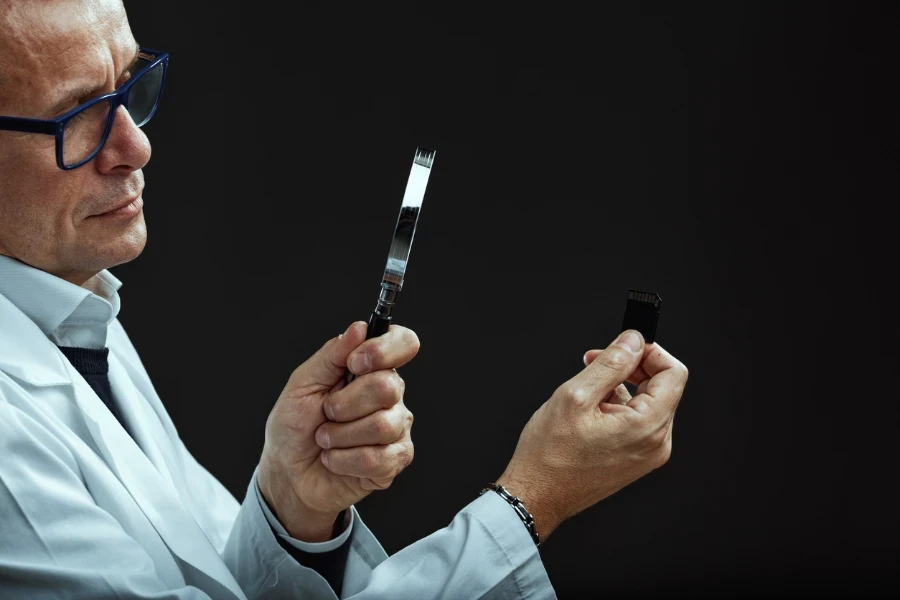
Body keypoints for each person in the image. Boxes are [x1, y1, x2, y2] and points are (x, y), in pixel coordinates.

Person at [0, 1, 689, 598]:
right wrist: (532, 499)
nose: (136, 146)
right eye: (82, 115)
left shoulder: (68, 310)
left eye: (129, 87)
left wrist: (293, 508)